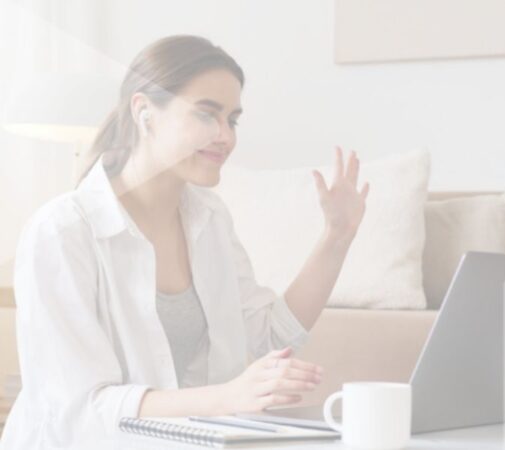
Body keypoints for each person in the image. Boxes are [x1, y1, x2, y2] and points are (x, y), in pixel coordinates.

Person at [1, 35, 369, 449]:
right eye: (206, 114)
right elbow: (82, 410)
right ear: (144, 113)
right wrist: (228, 398)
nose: (225, 137)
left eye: (232, 120)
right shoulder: (62, 233)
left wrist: (337, 237)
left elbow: (270, 336)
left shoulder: (210, 218)